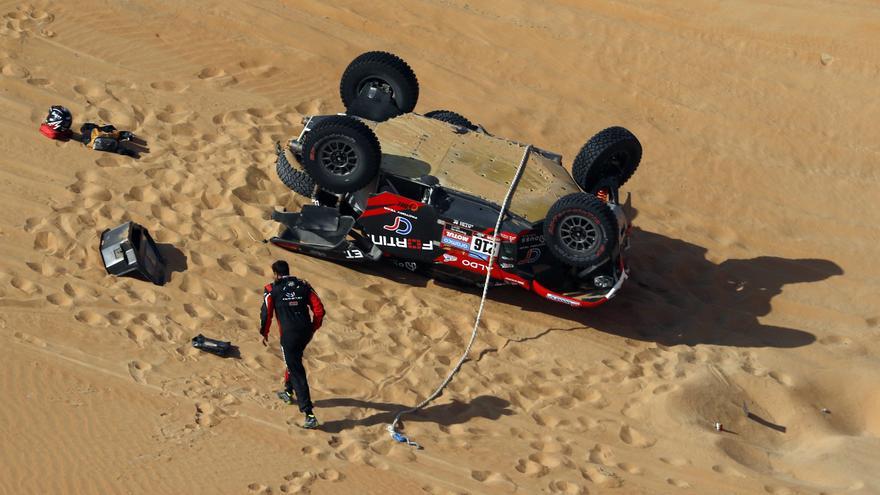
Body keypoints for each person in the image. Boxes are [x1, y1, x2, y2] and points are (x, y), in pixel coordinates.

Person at [260, 260, 325, 429]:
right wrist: (313, 327)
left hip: (289, 336)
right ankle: (288, 392)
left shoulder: (271, 289)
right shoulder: (304, 286)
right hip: (305, 333)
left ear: (275, 273)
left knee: (296, 369)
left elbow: (267, 314)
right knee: (293, 359)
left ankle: (309, 413)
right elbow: (319, 310)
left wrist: (264, 332)